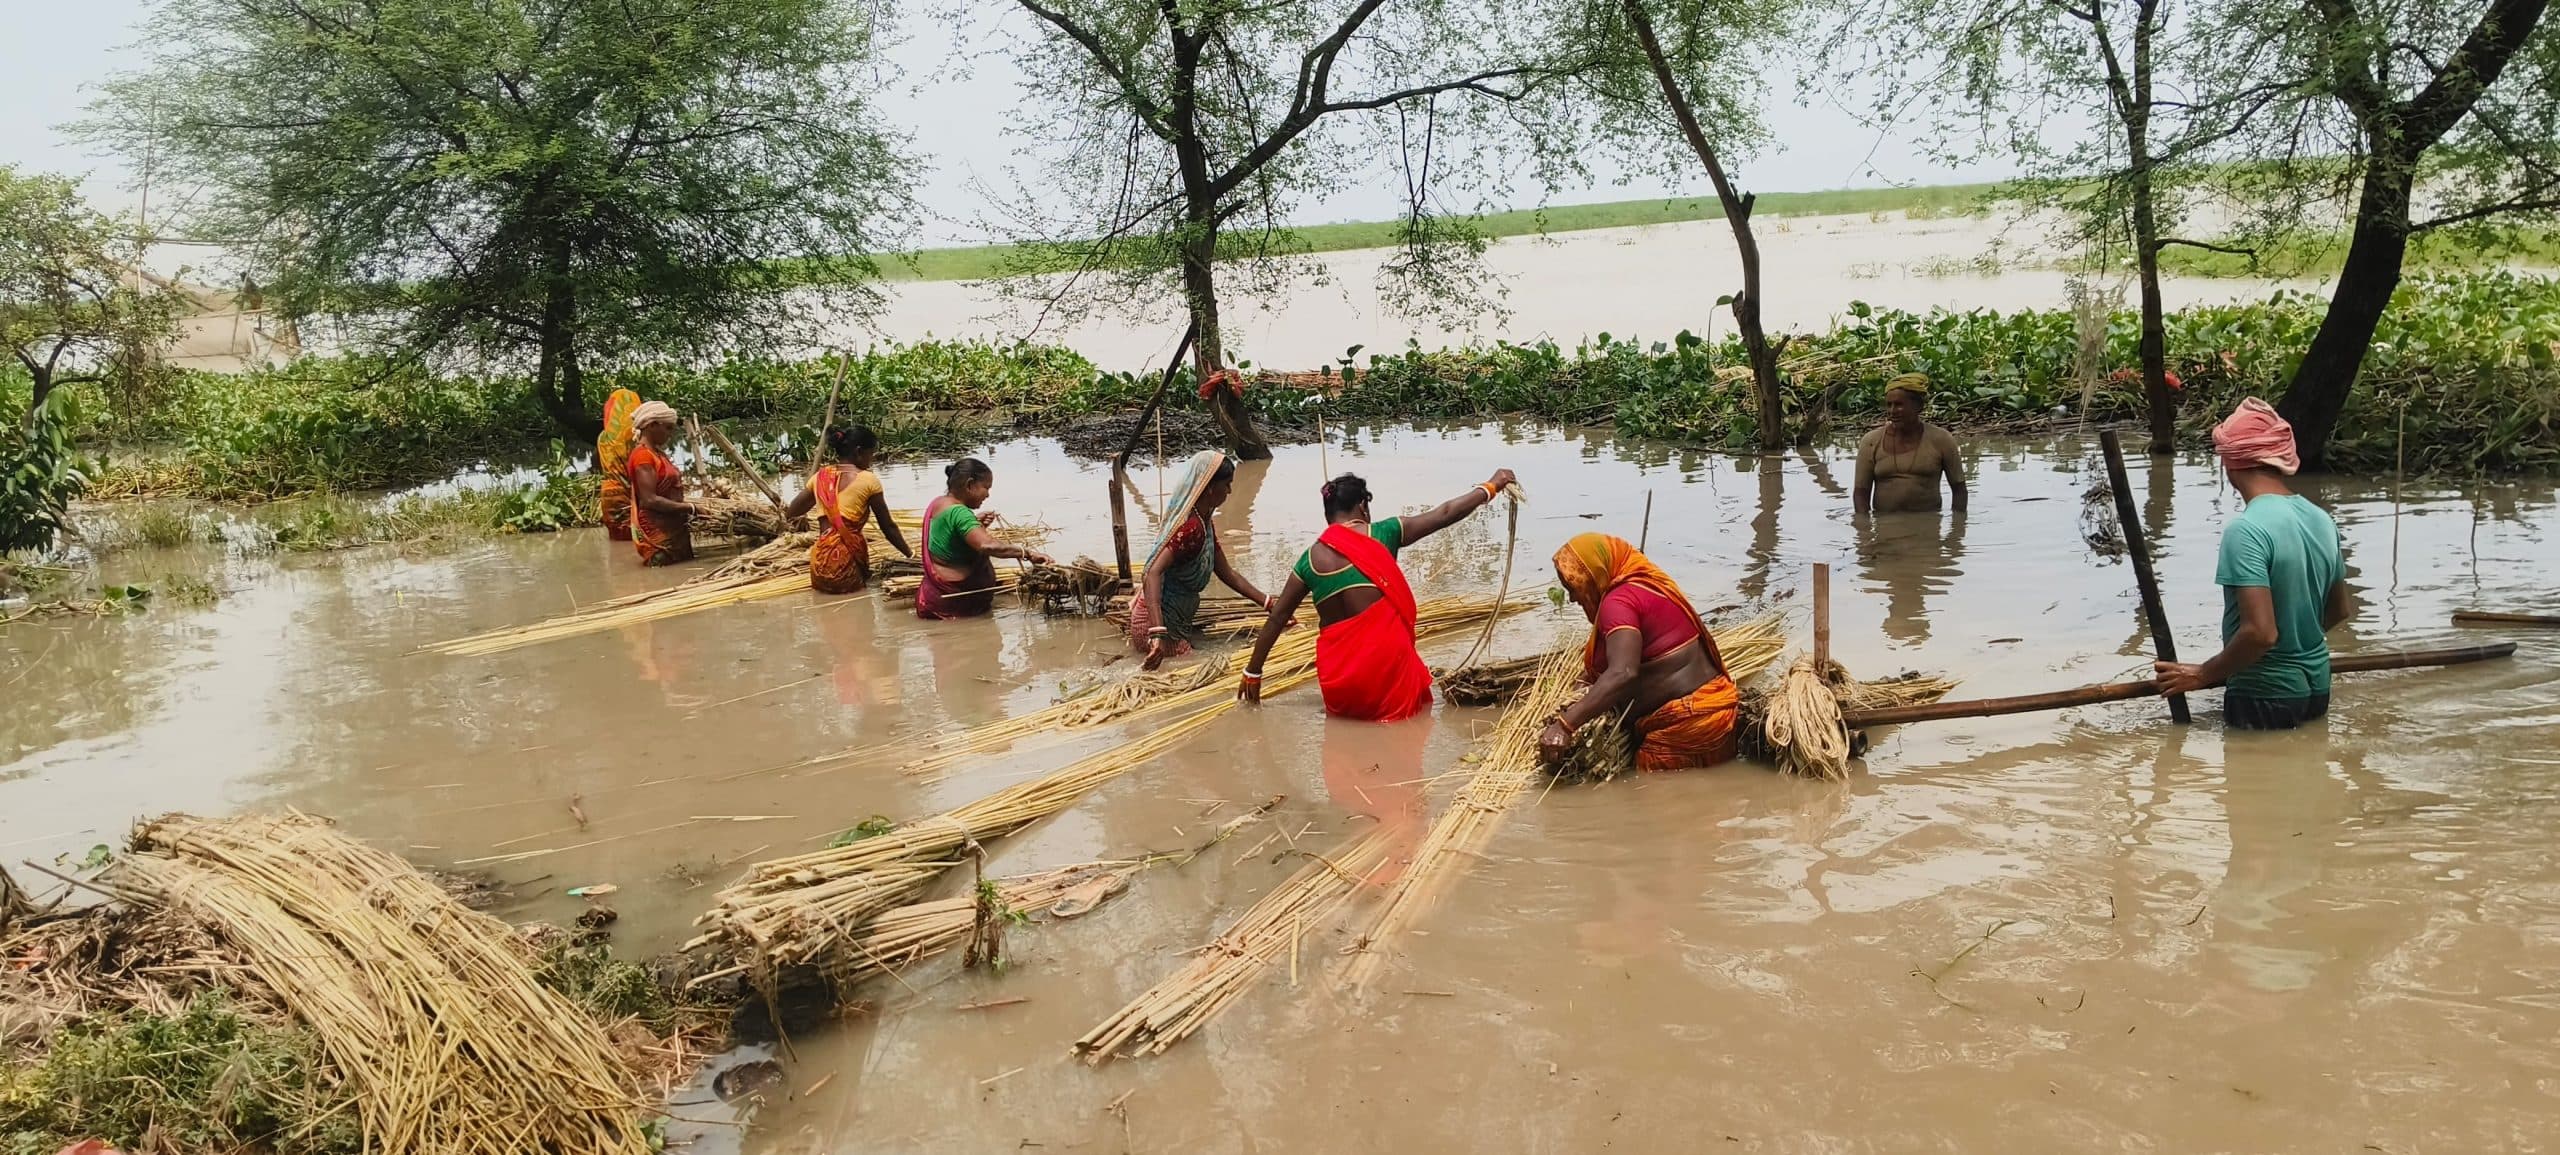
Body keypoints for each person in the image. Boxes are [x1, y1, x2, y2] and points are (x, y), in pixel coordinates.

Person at [1237, 469, 1516, 720]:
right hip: (1387, 674)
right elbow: (1444, 514)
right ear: (1363, 506)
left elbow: (1277, 618)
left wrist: (1253, 672)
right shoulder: (1384, 533)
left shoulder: (1308, 560)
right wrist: (1491, 486)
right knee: (1406, 743)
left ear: (1327, 514)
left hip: (1341, 684)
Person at [2153, 399, 2348, 730]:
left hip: (2265, 690)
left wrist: (2201, 674)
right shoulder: (2321, 519)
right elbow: (2338, 610)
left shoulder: (2246, 529)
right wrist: (2297, 643)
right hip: (2317, 685)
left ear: (2230, 463)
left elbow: (2260, 633)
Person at [1536, 533, 1740, 773]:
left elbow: (1623, 672)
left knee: (1651, 804)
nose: (1571, 598)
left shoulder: (1617, 603)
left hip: (1682, 729)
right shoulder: (1643, 588)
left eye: (1574, 586)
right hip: (1714, 715)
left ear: (1594, 573)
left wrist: (1565, 725)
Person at [1130, 450, 1279, 668]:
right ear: (1210, 488)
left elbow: (1227, 574)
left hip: (1175, 621)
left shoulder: (1204, 523)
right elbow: (1153, 571)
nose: (1229, 490)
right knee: (1197, 669)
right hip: (1156, 627)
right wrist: (1158, 634)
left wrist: (1270, 604)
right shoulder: (1192, 529)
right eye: (1226, 484)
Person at [916, 457, 1052, 619]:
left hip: (935, 600)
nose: (987, 494)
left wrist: (976, 524)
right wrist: (1027, 553)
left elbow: (949, 540)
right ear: (970, 485)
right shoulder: (959, 513)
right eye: (986, 487)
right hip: (958, 606)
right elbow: (987, 545)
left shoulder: (939, 503)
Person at [786, 425, 909, 594]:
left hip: (820, 564)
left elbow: (792, 511)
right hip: (846, 565)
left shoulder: (820, 477)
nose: (870, 460)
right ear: (859, 452)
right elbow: (888, 527)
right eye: (870, 454)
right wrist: (910, 555)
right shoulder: (868, 480)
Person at [1853, 373, 1968, 515]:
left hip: (1927, 525)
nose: (1892, 411)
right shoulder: (1871, 441)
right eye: (1889, 405)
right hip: (1885, 526)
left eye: (1899, 405)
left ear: (1918, 406)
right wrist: (1864, 531)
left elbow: (1959, 489)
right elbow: (1860, 494)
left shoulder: (1942, 440)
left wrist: (1957, 529)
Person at [626, 401, 696, 566]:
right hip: (660, 538)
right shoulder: (643, 456)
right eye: (668, 428)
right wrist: (691, 508)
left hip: (675, 530)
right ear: (652, 425)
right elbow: (649, 500)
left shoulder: (657, 454)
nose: (670, 434)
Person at [596, 388, 642, 542]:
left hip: (608, 493)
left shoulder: (603, 437)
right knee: (635, 542)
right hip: (626, 494)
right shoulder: (631, 439)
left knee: (618, 543)